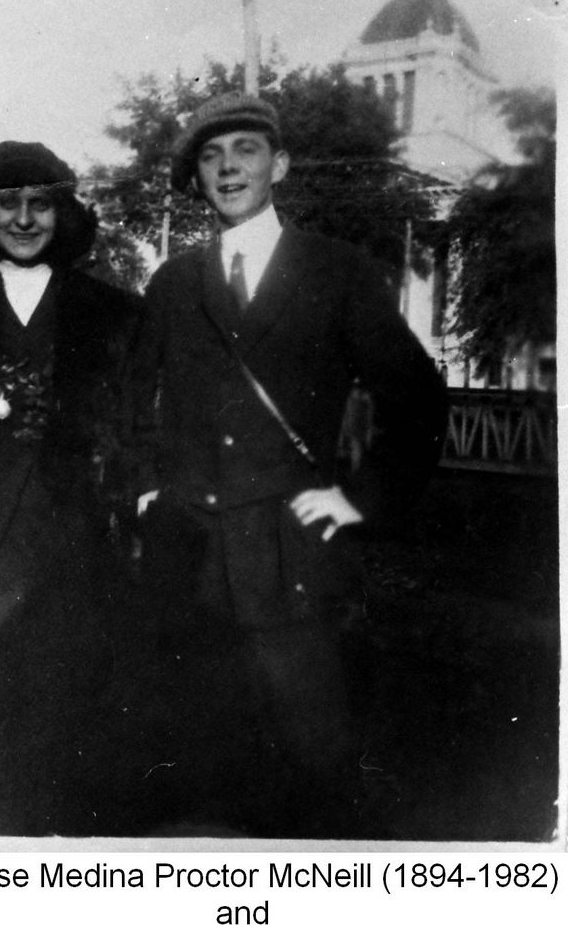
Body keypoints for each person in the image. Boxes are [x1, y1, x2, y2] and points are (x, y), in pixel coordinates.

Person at [126, 91, 448, 838]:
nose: (228, 167)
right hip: (192, 552)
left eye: (245, 149)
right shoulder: (175, 282)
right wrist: (145, 492)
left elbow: (415, 396)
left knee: (314, 758)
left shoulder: (336, 271)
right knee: (199, 767)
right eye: (211, 156)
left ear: (281, 166)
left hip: (292, 550)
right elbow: (132, 398)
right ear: (197, 179)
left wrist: (359, 498)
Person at [0, 141, 140, 836]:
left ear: (62, 213)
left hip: (70, 558)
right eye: (7, 204)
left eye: (39, 203)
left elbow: (134, 432)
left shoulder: (112, 311)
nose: (23, 219)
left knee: (65, 735)